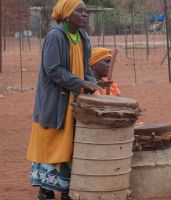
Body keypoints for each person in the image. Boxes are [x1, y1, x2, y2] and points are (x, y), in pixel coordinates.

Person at [26, 1, 101, 199]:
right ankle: (46, 192)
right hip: (54, 104)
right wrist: (81, 83)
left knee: (70, 147)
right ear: (68, 14)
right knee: (51, 145)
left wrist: (93, 83)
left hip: (73, 102)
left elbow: (85, 68)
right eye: (80, 11)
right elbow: (53, 70)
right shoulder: (56, 36)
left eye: (86, 11)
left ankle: (67, 191)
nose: (85, 14)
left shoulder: (82, 36)